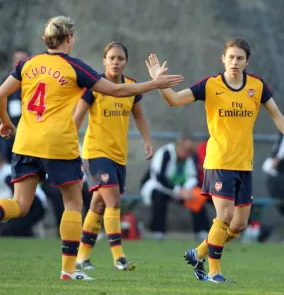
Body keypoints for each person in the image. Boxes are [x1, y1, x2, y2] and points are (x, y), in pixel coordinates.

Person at [0, 15, 183, 281]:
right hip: (58, 144)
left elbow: (0, 95)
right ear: (69, 37)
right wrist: (154, 84)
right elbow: (116, 90)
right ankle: (68, 270)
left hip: (26, 142)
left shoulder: (27, 64)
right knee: (74, 202)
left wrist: (6, 123)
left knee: (19, 204)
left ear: (47, 39)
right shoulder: (76, 67)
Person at [145, 38, 284, 283]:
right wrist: (158, 82)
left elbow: (277, 116)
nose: (235, 62)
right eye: (231, 57)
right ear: (223, 58)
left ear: (247, 61)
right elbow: (174, 99)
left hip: (244, 164)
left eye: (240, 58)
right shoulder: (210, 85)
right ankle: (213, 273)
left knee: (239, 225)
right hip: (219, 162)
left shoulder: (257, 86)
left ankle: (198, 252)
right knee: (225, 217)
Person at [73, 42, 154, 271]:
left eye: (120, 58)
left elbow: (138, 116)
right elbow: (77, 117)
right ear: (104, 61)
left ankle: (81, 258)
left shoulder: (131, 86)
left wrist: (147, 139)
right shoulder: (94, 86)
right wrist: (69, 144)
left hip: (118, 155)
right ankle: (119, 257)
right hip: (96, 152)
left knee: (98, 205)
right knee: (114, 201)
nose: (116, 62)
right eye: (111, 58)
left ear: (125, 61)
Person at [140, 132, 209, 241]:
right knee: (159, 196)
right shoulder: (165, 153)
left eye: (189, 150)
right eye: (185, 150)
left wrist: (188, 189)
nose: (187, 153)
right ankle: (158, 232)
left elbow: (192, 176)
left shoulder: (189, 157)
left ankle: (202, 231)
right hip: (158, 187)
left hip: (181, 189)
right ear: (178, 145)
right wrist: (177, 190)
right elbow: (159, 178)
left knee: (197, 195)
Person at [0, 151, 46, 237]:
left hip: (34, 204)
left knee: (10, 230)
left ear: (0, 163)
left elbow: (19, 199)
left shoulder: (7, 175)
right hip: (25, 204)